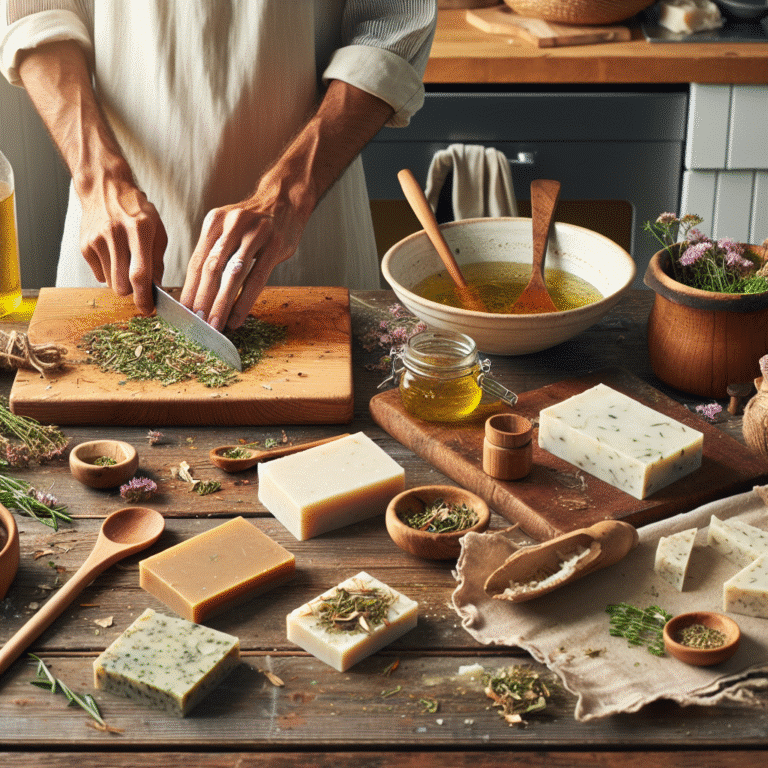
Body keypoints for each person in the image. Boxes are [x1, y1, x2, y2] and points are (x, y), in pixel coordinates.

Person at [0, 1, 436, 330]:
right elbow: (39, 12)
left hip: (306, 232)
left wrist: (292, 189)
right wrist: (98, 177)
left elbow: (394, 25)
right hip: (114, 229)